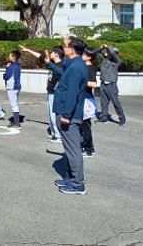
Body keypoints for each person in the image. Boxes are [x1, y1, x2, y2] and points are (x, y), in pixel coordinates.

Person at [53, 38, 88, 195]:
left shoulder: (75, 68)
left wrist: (66, 115)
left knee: (73, 150)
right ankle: (70, 177)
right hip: (71, 113)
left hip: (70, 115)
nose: (63, 48)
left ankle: (77, 184)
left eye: (66, 46)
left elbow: (71, 94)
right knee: (69, 148)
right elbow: (64, 65)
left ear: (72, 50)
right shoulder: (76, 63)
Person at [19, 44, 64, 143]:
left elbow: (61, 73)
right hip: (50, 91)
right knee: (50, 114)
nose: (50, 53)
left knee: (54, 114)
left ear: (56, 55)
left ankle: (58, 135)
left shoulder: (62, 64)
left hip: (55, 93)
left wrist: (50, 64)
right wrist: (27, 50)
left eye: (52, 52)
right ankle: (54, 133)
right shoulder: (52, 62)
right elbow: (40, 56)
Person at [98, 44, 126, 127]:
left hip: (111, 85)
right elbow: (98, 54)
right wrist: (102, 47)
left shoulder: (116, 61)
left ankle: (122, 119)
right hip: (103, 84)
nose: (106, 53)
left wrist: (108, 47)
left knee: (116, 103)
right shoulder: (105, 60)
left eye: (108, 52)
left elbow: (113, 54)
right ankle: (104, 117)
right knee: (104, 102)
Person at [81, 49, 98, 158]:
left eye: (84, 54)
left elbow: (94, 84)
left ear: (89, 57)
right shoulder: (87, 67)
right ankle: (88, 147)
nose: (82, 55)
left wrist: (80, 81)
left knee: (85, 125)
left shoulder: (89, 68)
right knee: (84, 125)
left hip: (86, 100)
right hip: (85, 99)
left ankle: (88, 149)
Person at [3, 50, 22, 129]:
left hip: (12, 87)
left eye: (10, 55)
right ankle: (16, 121)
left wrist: (7, 69)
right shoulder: (17, 66)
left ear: (13, 57)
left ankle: (17, 123)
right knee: (15, 103)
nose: (9, 56)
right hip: (16, 87)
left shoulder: (11, 67)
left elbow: (6, 77)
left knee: (14, 105)